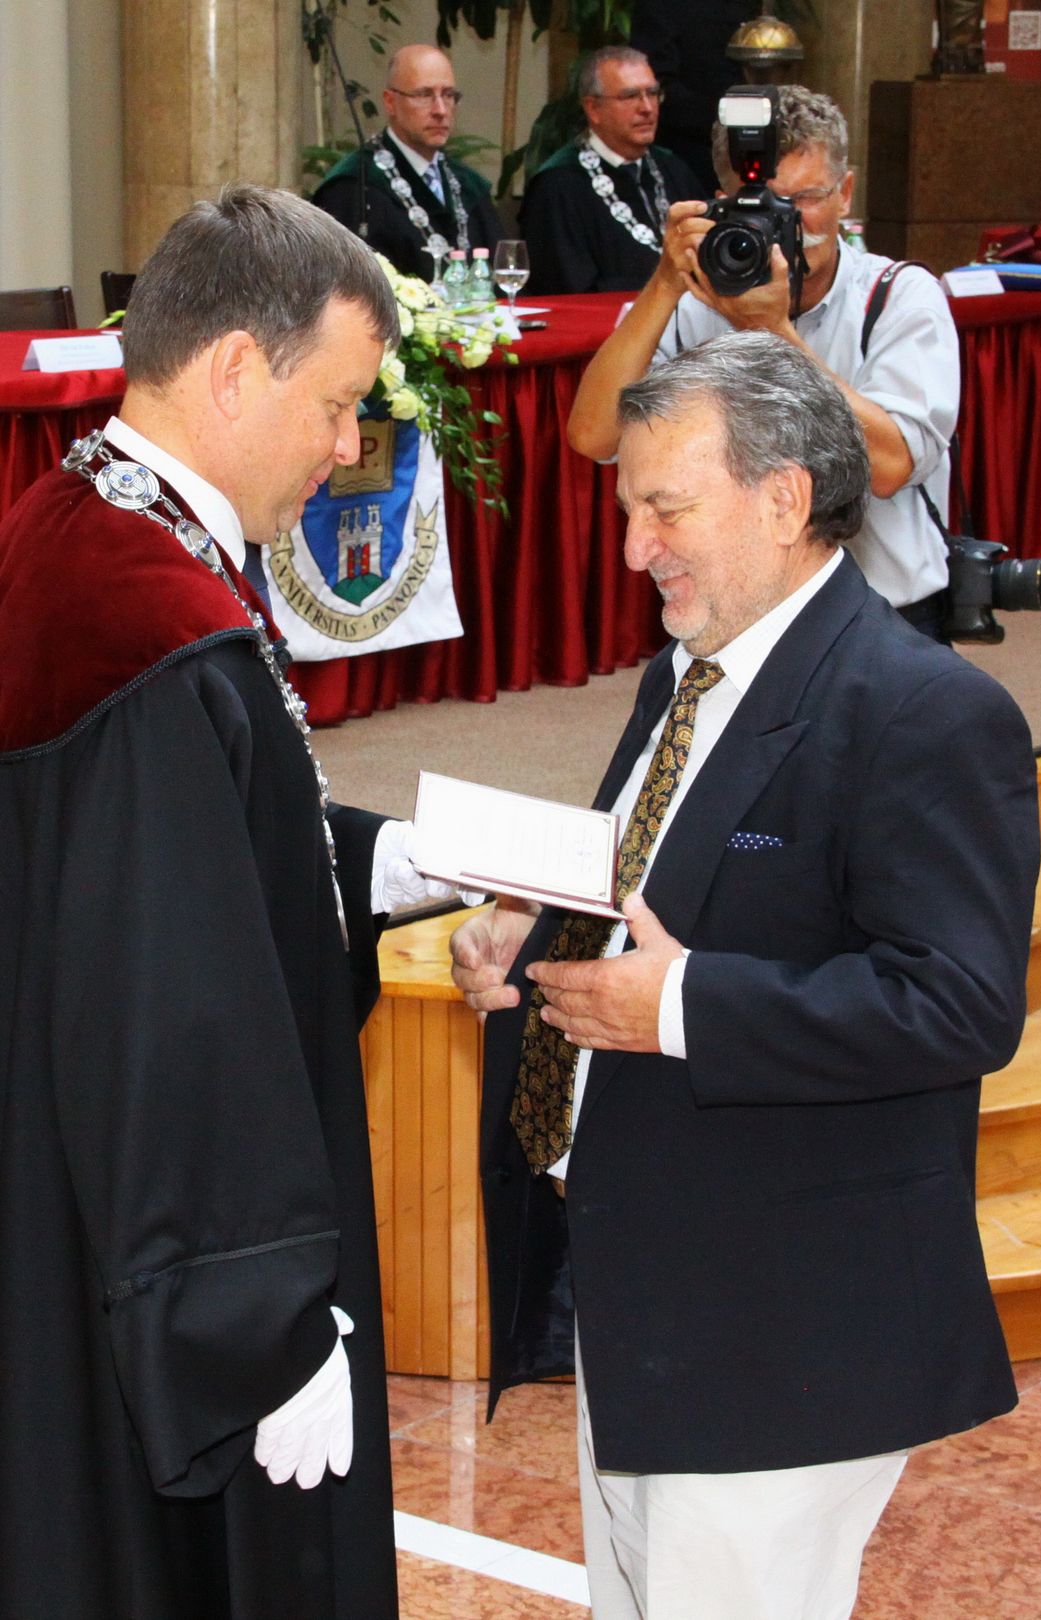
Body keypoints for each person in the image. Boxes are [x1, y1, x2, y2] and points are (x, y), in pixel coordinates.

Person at [451, 332, 1040, 1620]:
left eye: (666, 508)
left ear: (783, 499)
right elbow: (658, 882)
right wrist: (536, 937)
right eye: (628, 510)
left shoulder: (926, 713)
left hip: (786, 1328)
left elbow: (959, 1003)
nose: (633, 549)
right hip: (655, 1293)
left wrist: (678, 1005)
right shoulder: (689, 668)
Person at [0, 184, 460, 1619]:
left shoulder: (78, 525)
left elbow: (195, 849)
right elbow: (171, 999)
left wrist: (385, 864)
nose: (348, 445)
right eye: (336, 403)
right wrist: (252, 1315)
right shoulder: (152, 627)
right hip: (176, 1266)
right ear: (236, 368)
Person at [567, 86, 960, 636]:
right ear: (719, 203)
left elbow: (892, 466)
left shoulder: (900, 296)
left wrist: (771, 330)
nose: (785, 224)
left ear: (846, 193)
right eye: (759, 205)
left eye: (805, 199)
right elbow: (593, 436)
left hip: (883, 613)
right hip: (734, 621)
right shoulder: (690, 300)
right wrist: (664, 283)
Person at [520, 46, 701, 296]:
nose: (647, 108)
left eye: (652, 93)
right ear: (593, 108)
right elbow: (568, 287)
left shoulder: (673, 169)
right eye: (630, 96)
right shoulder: (558, 184)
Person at [314, 43, 501, 282]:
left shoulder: (467, 184)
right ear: (390, 102)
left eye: (448, 95)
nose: (441, 110)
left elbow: (503, 274)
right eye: (424, 95)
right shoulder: (355, 186)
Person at [630, 0, 759, 192]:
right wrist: (730, 116)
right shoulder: (660, 6)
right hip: (692, 156)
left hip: (751, 143)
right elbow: (658, 88)